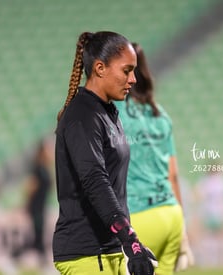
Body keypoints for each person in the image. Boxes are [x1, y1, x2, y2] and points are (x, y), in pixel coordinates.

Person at [53, 31, 157, 275]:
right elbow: (95, 180)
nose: (133, 79)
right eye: (126, 70)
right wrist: (130, 240)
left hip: (107, 252)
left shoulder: (106, 112)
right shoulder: (83, 116)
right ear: (100, 68)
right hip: (87, 254)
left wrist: (132, 243)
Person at [115, 43, 193, 275]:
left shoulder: (114, 111)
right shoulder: (161, 115)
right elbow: (174, 175)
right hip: (170, 215)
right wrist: (183, 232)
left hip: (137, 217)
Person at [4, 139, 54, 275]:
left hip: (41, 207)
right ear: (42, 152)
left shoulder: (45, 169)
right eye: (48, 150)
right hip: (36, 208)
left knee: (36, 239)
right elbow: (30, 187)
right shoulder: (37, 168)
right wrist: (26, 205)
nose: (50, 153)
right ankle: (14, 260)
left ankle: (40, 265)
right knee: (37, 237)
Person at [195, 166, 223, 267]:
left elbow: (199, 194)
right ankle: (214, 260)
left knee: (214, 236)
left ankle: (216, 260)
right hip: (212, 212)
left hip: (215, 212)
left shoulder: (215, 181)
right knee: (212, 237)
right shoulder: (218, 181)